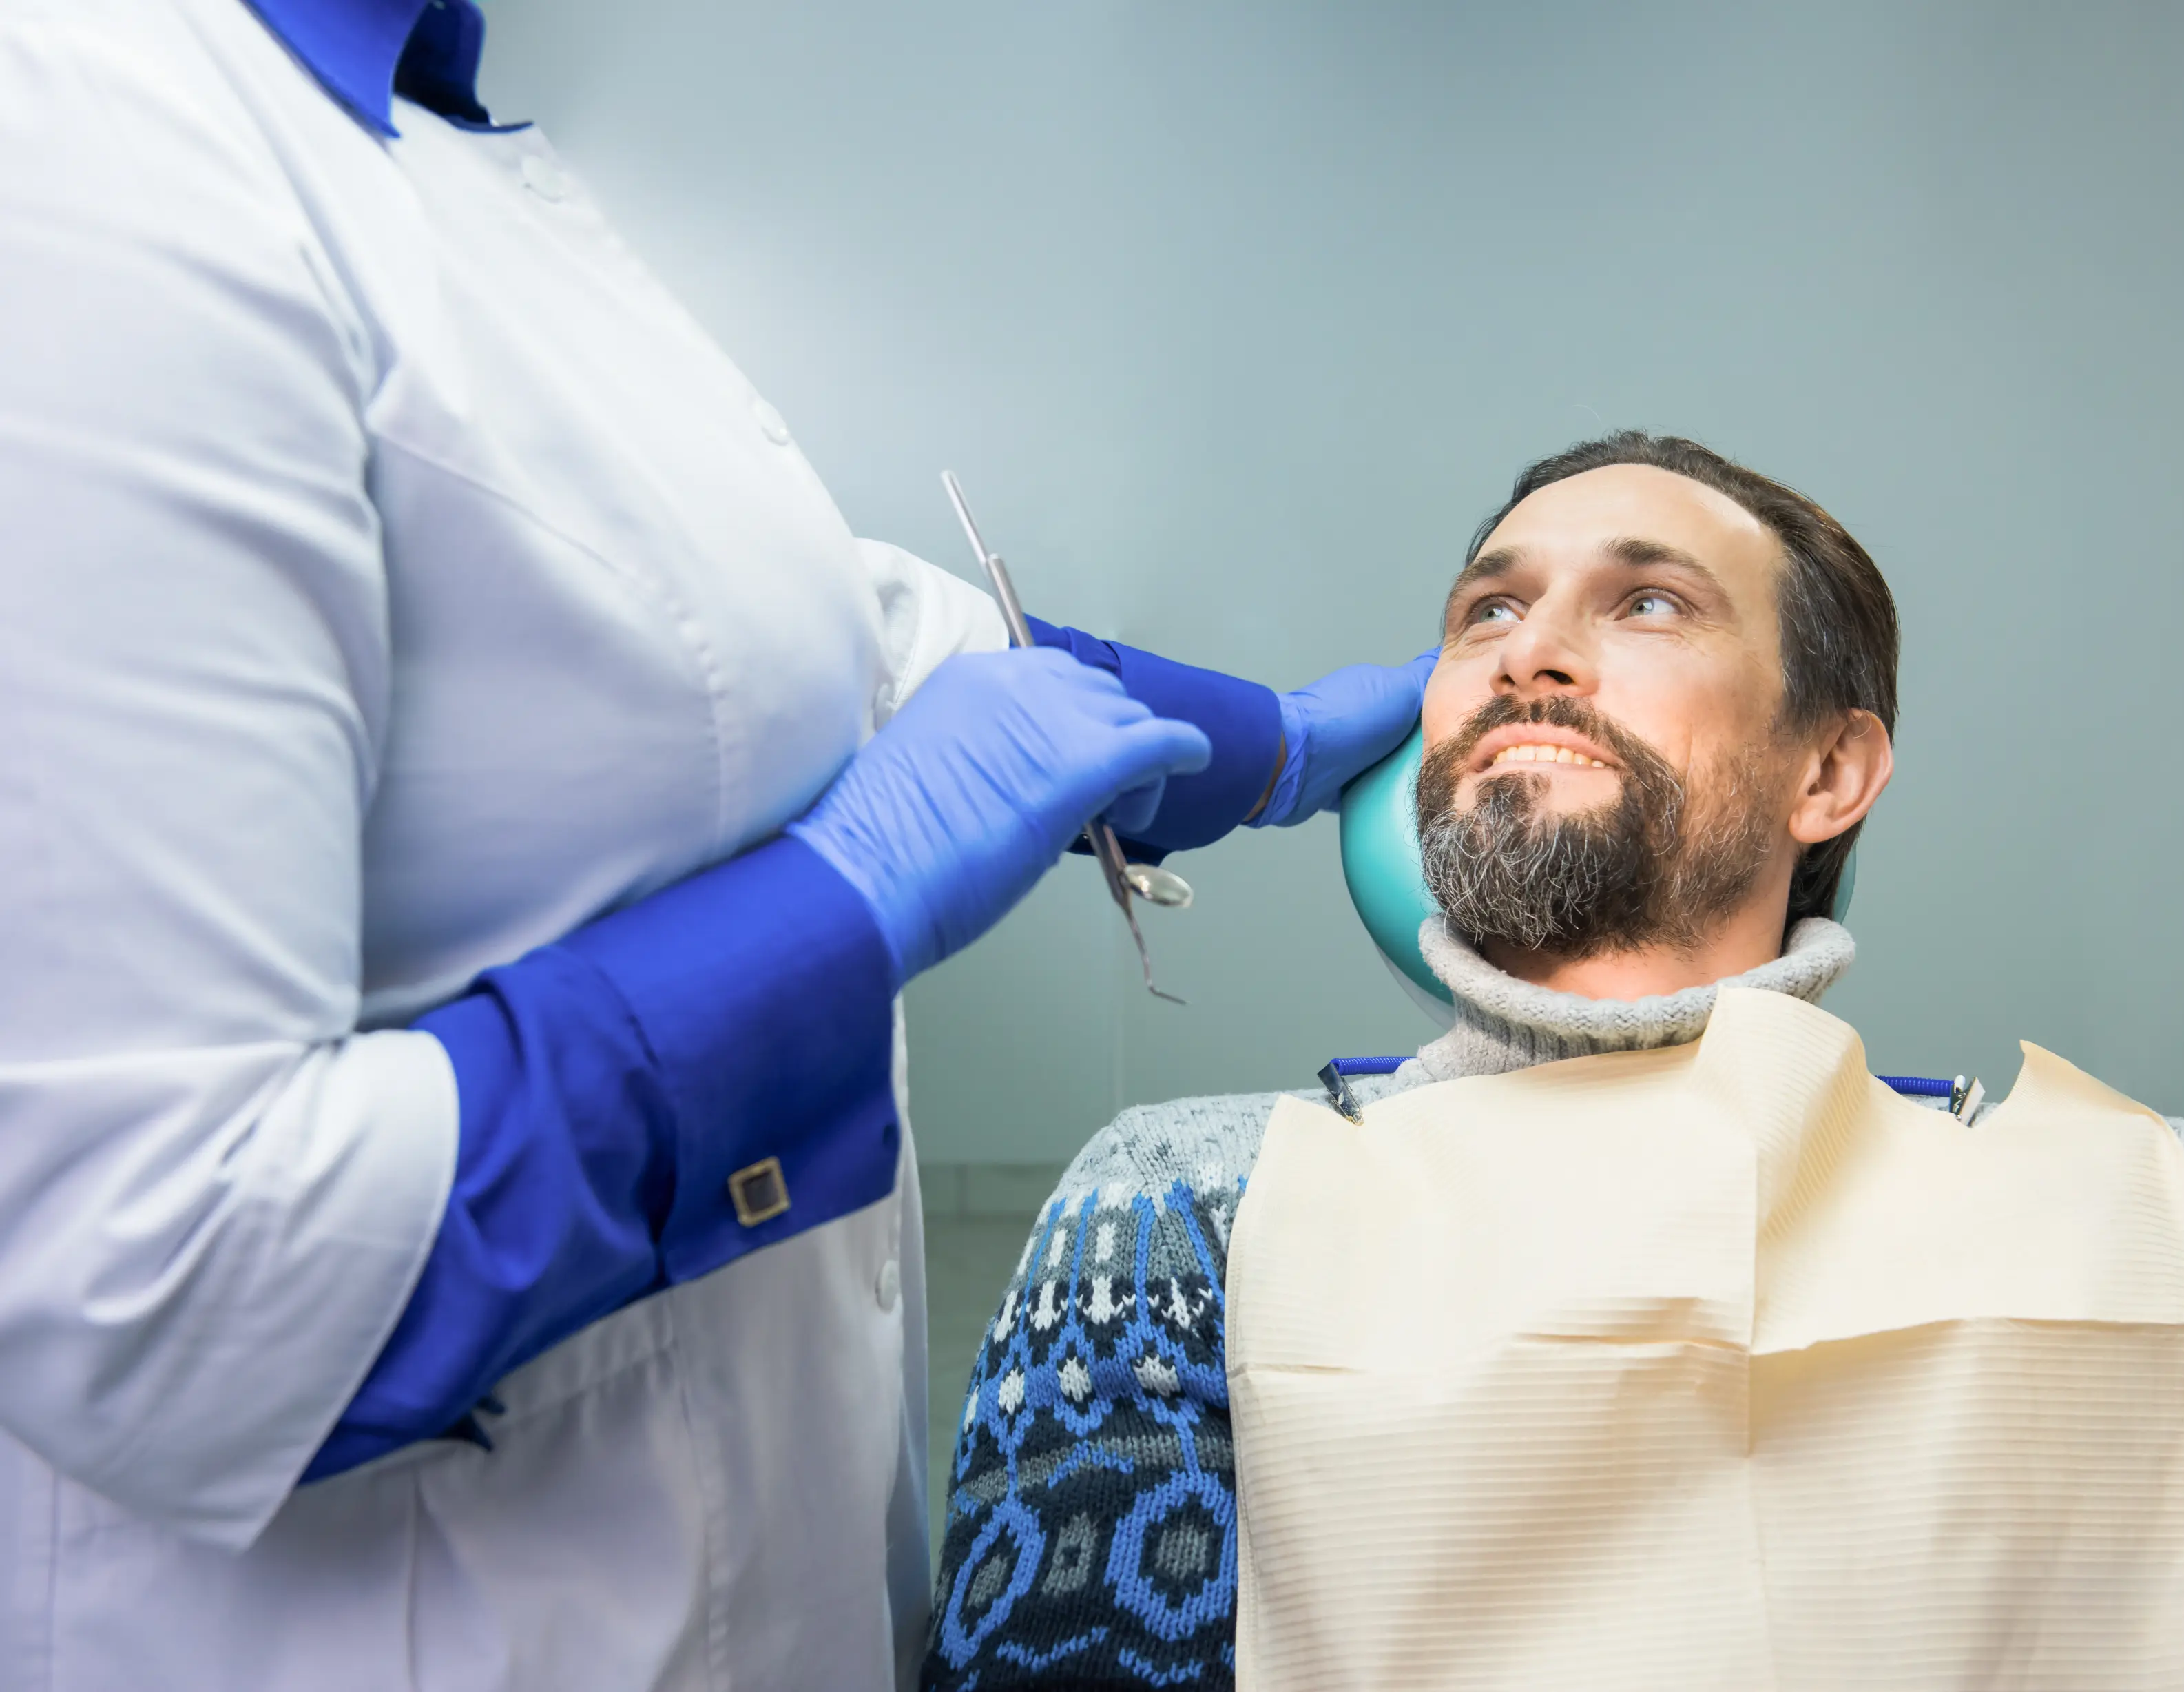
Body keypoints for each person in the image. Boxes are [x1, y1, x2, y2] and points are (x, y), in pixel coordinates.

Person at [0, 1, 1432, 1686]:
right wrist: (831, 919)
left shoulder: (431, 138)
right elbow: (157, 1277)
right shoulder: (88, 143)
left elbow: (807, 640)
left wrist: (1257, 745)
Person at [922, 432, 2184, 1691]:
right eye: (1486, 613)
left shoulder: (2166, 1211)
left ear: (1831, 769)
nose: (1531, 655)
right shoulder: (1185, 1206)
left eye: (1647, 603)